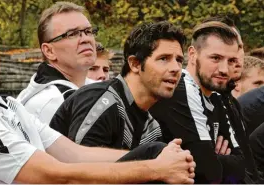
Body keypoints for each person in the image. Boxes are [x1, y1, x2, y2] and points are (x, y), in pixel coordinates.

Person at [0, 7, 196, 184]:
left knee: (153, 150)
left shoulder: (8, 106)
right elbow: (58, 176)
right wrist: (155, 168)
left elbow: (73, 153)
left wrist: (157, 158)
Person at [149, 21, 257, 183]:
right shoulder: (181, 90)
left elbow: (242, 163)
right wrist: (217, 159)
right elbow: (207, 172)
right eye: (215, 58)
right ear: (192, 54)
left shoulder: (217, 95)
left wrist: (216, 159)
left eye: (231, 61)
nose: (224, 69)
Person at [50, 21, 184, 150]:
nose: (176, 68)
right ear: (135, 64)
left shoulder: (151, 128)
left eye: (179, 60)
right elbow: (79, 167)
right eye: (163, 59)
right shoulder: (102, 101)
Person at [17, 2, 97, 124]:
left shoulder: (93, 86)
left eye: (88, 31)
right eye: (72, 34)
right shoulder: (51, 102)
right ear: (49, 51)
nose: (85, 39)